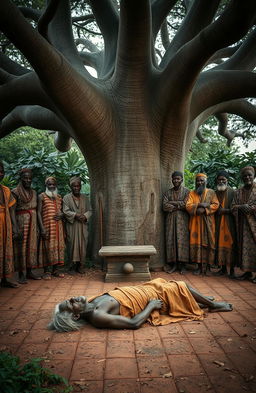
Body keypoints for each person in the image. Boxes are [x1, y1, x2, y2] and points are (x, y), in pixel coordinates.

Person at [48, 278, 233, 332]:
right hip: (151, 299)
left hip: (147, 289)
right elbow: (133, 323)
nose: (73, 298)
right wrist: (151, 306)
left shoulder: (88, 301)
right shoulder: (97, 315)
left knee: (168, 283)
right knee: (180, 286)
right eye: (71, 304)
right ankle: (212, 305)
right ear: (76, 315)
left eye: (69, 298)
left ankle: (197, 299)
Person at [186, 173, 219, 275]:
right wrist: (200, 205)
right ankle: (198, 267)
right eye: (198, 181)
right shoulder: (192, 193)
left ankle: (208, 268)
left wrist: (205, 210)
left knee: (210, 243)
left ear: (206, 181)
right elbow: (188, 205)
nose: (199, 183)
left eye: (201, 181)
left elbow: (216, 204)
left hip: (208, 223)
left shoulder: (211, 192)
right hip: (196, 223)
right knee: (197, 243)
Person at [12, 168, 41, 284]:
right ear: (21, 179)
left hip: (32, 223)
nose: (28, 180)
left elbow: (37, 210)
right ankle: (21, 274)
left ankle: (29, 271)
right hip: (21, 222)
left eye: (30, 178)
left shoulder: (34, 192)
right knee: (21, 248)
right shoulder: (15, 192)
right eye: (25, 178)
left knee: (31, 247)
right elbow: (12, 210)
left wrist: (38, 226)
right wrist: (15, 227)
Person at [231, 166, 256, 283]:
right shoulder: (238, 191)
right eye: (245, 176)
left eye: (249, 175)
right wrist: (242, 206)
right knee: (244, 248)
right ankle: (247, 271)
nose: (247, 177)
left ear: (254, 176)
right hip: (242, 226)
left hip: (254, 224)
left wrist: (252, 208)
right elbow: (233, 206)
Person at [38, 176, 65, 279]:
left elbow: (62, 211)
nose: (52, 186)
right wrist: (42, 228)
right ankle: (47, 272)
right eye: (49, 184)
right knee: (47, 247)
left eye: (53, 184)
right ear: (46, 185)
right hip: (47, 226)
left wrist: (62, 214)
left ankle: (55, 270)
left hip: (58, 227)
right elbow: (38, 213)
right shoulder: (42, 196)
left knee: (57, 247)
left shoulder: (59, 197)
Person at [162, 171, 190, 274]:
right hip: (170, 221)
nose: (176, 181)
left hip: (183, 221)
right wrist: (179, 204)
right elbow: (164, 206)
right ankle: (173, 264)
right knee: (171, 240)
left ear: (182, 180)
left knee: (182, 240)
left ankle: (183, 265)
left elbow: (186, 204)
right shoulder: (168, 192)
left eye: (178, 179)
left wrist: (172, 203)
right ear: (171, 180)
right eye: (174, 179)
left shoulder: (187, 192)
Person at [63, 176, 92, 274]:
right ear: (71, 187)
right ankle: (72, 266)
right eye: (74, 186)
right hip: (72, 226)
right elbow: (65, 211)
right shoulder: (66, 198)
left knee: (83, 245)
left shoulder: (85, 198)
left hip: (82, 226)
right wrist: (75, 215)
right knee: (71, 245)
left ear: (80, 186)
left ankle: (81, 265)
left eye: (78, 186)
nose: (76, 188)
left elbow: (90, 210)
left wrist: (85, 216)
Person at [0, 161, 19, 288]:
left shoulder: (6, 191)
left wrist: (15, 227)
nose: (0, 174)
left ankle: (5, 279)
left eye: (2, 171)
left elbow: (11, 210)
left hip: (5, 225)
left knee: (5, 251)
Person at [214, 170, 237, 277]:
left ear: (227, 180)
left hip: (229, 223)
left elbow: (236, 208)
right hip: (218, 222)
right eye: (220, 179)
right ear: (217, 180)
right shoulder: (215, 192)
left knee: (231, 245)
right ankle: (223, 269)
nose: (221, 181)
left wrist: (225, 211)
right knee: (219, 244)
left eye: (223, 179)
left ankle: (232, 270)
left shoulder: (233, 192)